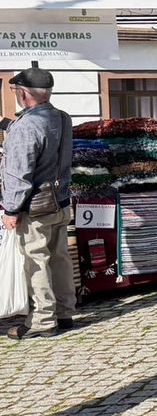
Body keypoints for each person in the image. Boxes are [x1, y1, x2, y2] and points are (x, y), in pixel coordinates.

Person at [1, 64, 74, 340]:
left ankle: (43, 320)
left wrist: (11, 208)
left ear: (24, 94)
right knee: (59, 258)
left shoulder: (26, 125)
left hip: (35, 205)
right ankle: (65, 312)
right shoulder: (62, 117)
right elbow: (45, 140)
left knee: (36, 261)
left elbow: (20, 172)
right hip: (60, 199)